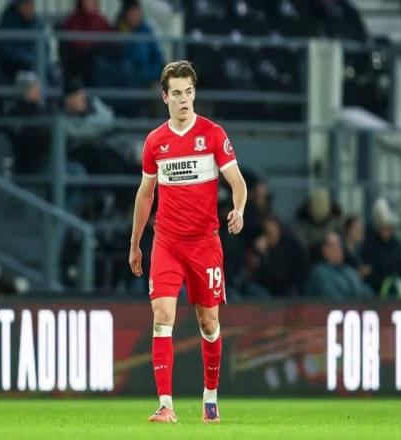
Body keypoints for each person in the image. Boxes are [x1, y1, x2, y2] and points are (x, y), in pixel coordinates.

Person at [129, 60, 247, 424]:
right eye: (177, 93)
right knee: (162, 316)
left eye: (189, 92)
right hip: (167, 242)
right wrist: (135, 243)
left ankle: (210, 396)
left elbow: (237, 182)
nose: (184, 100)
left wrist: (239, 209)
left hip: (204, 244)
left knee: (208, 323)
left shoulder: (212, 135)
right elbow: (145, 194)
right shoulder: (155, 142)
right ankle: (166, 405)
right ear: (165, 97)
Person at [306, 231, 374, 300]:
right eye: (334, 246)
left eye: (339, 246)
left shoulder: (350, 271)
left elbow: (368, 294)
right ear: (324, 250)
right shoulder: (319, 272)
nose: (338, 250)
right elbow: (333, 298)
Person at [0, 0, 46, 81]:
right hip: (15, 69)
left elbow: (45, 48)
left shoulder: (36, 22)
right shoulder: (9, 22)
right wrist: (32, 60)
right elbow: (8, 51)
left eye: (32, 5)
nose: (30, 8)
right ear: (19, 6)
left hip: (36, 67)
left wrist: (43, 61)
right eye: (27, 5)